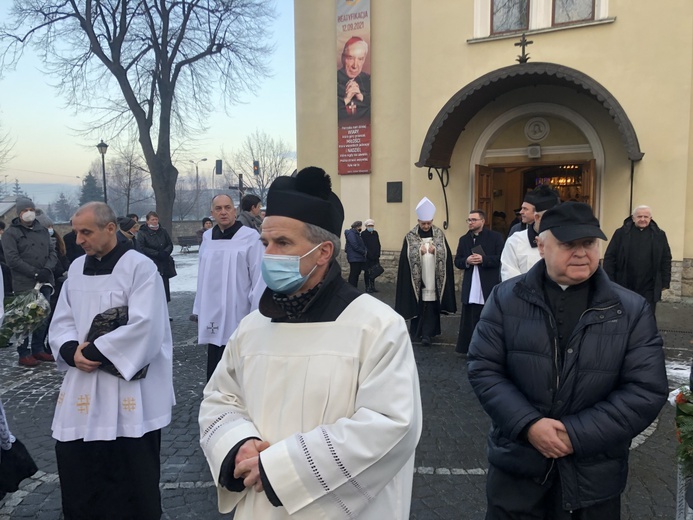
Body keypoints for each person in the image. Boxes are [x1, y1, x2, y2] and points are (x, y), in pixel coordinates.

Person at [198, 166, 422, 519]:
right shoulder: (252, 327)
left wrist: (280, 469)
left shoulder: (376, 326)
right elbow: (220, 397)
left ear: (323, 252)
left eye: (283, 243)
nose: (268, 254)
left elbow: (391, 425)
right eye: (265, 243)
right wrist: (237, 445)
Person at [467, 202, 668, 519]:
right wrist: (529, 425)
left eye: (588, 243)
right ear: (541, 245)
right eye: (568, 243)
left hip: (593, 479)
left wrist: (576, 434)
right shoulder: (505, 298)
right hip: (517, 472)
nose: (580, 253)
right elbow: (484, 368)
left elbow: (646, 390)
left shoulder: (631, 310)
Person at [48, 202, 175, 519]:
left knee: (130, 474)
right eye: (76, 232)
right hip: (82, 383)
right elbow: (62, 319)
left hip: (126, 388)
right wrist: (69, 351)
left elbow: (147, 326)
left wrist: (90, 352)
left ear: (110, 229)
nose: (78, 240)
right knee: (80, 469)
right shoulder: (76, 268)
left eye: (86, 232)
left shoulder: (139, 268)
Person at [193, 194, 265, 381]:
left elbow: (259, 277)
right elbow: (202, 276)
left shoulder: (250, 237)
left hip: (239, 310)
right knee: (216, 361)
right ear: (212, 213)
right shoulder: (208, 238)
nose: (223, 212)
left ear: (234, 210)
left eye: (227, 207)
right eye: (218, 209)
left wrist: (256, 314)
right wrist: (199, 309)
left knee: (238, 362)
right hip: (213, 311)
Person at [3, 196, 57, 367]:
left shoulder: (41, 230)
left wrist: (46, 270)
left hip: (45, 280)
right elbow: (12, 259)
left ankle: (38, 348)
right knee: (25, 318)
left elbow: (52, 252)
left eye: (31, 210)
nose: (29, 213)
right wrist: (34, 273)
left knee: (44, 315)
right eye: (25, 211)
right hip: (25, 282)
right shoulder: (12, 233)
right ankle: (23, 352)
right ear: (19, 213)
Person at [395, 197, 456, 346]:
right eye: (423, 223)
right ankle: (417, 332)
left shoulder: (439, 234)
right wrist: (417, 252)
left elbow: (445, 252)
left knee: (432, 304)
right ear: (418, 221)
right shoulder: (410, 236)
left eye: (429, 223)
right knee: (420, 303)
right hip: (419, 278)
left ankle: (429, 333)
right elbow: (405, 257)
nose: (426, 226)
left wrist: (437, 251)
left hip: (433, 277)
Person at [603, 205, 672, 313]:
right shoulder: (621, 233)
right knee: (625, 314)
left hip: (649, 285)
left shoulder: (659, 235)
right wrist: (609, 280)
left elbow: (666, 259)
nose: (643, 219)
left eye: (646, 216)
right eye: (639, 216)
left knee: (647, 315)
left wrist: (665, 281)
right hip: (624, 283)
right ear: (633, 218)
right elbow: (610, 257)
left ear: (651, 218)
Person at [454, 209, 504, 355]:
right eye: (469, 220)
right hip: (471, 284)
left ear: (482, 221)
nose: (470, 222)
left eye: (474, 220)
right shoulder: (464, 240)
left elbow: (501, 257)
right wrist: (467, 261)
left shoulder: (495, 237)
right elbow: (458, 261)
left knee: (487, 317)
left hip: (487, 283)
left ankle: (488, 348)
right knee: (470, 318)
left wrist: (484, 259)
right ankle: (469, 347)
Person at [500, 185, 561, 281]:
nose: (521, 212)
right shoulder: (515, 241)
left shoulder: (567, 241)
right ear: (537, 217)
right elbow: (510, 278)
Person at [136, 211, 175, 303]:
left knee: (165, 287)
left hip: (164, 262)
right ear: (147, 221)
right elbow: (142, 247)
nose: (155, 221)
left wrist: (166, 252)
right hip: (152, 262)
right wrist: (156, 254)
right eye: (152, 219)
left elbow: (169, 243)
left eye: (156, 219)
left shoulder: (163, 230)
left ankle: (165, 308)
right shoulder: (142, 232)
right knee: (153, 287)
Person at [337, 36, 371, 121]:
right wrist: (345, 100)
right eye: (350, 58)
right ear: (342, 58)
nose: (355, 65)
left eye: (360, 59)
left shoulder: (369, 81)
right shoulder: (333, 81)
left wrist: (362, 98)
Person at [344, 220, 367, 288]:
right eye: (360, 226)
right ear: (356, 227)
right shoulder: (351, 234)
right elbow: (355, 245)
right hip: (354, 257)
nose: (360, 228)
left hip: (357, 257)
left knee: (356, 273)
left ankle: (353, 287)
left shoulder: (356, 234)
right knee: (354, 273)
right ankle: (352, 287)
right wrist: (363, 252)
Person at [361, 218, 381, 293]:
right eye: (369, 226)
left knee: (374, 272)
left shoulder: (375, 233)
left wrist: (378, 253)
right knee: (367, 272)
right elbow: (364, 245)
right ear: (366, 226)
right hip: (368, 257)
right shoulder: (363, 234)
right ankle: (367, 287)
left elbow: (378, 244)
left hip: (375, 256)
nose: (371, 227)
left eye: (372, 225)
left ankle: (372, 286)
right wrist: (369, 254)